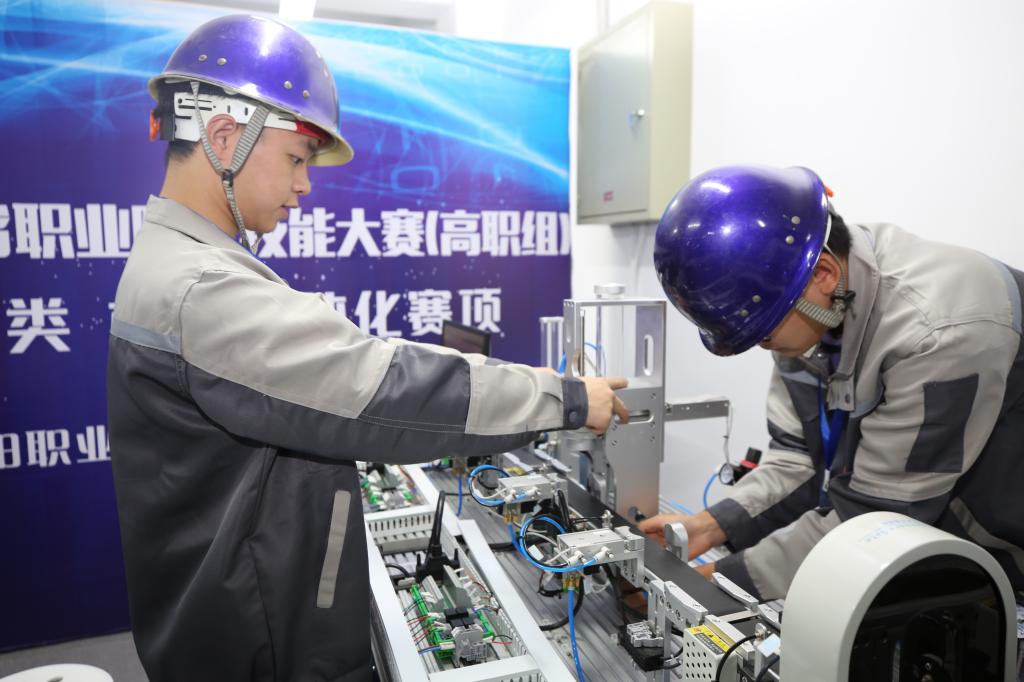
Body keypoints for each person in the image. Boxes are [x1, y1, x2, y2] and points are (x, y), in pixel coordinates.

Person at [107, 14, 627, 681]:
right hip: (259, 646)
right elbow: (381, 387)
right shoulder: (200, 287)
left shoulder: (179, 264)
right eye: (296, 159)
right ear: (224, 137)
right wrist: (568, 399)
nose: (304, 185)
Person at [639, 165, 1023, 605]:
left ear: (822, 275)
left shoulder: (938, 333)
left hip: (1004, 560)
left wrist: (714, 584)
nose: (764, 345)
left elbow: (877, 519)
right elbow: (796, 461)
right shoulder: (810, 298)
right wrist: (708, 526)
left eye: (764, 331)